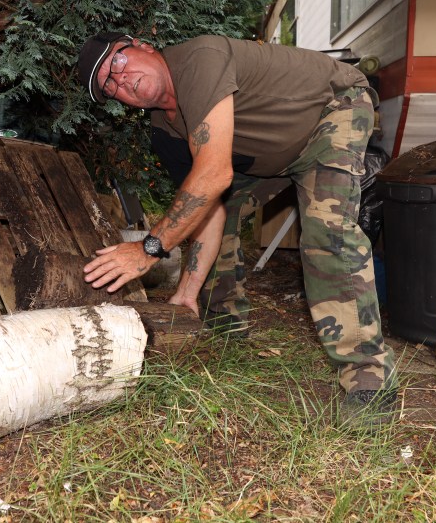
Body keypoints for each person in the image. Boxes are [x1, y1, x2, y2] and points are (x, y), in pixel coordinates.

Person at [76, 32, 397, 426]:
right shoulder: (164, 132)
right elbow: (205, 206)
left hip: (331, 109)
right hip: (271, 156)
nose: (119, 81)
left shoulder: (198, 58)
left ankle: (370, 380)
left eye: (118, 63)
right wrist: (186, 292)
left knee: (327, 233)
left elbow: (213, 173)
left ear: (143, 45)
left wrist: (148, 248)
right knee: (202, 214)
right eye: (109, 86)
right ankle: (226, 332)